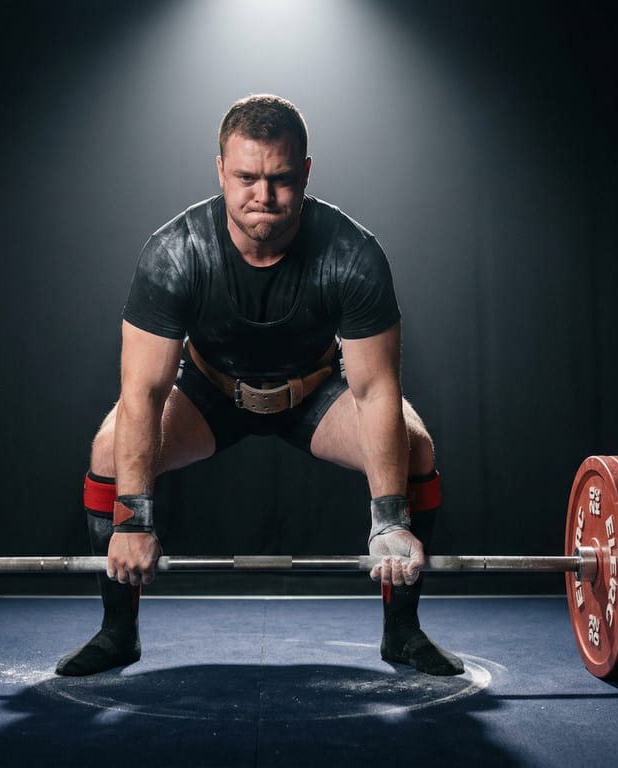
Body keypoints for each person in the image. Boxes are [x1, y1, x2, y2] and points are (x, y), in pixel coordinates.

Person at [56, 94, 464, 677]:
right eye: (246, 176)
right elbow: (144, 393)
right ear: (220, 169)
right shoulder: (174, 253)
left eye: (280, 179)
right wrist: (134, 523)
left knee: (415, 445)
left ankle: (402, 631)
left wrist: (390, 521)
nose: (263, 196)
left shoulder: (353, 254)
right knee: (107, 448)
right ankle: (117, 631)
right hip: (211, 395)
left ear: (305, 172)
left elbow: (375, 392)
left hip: (314, 397)